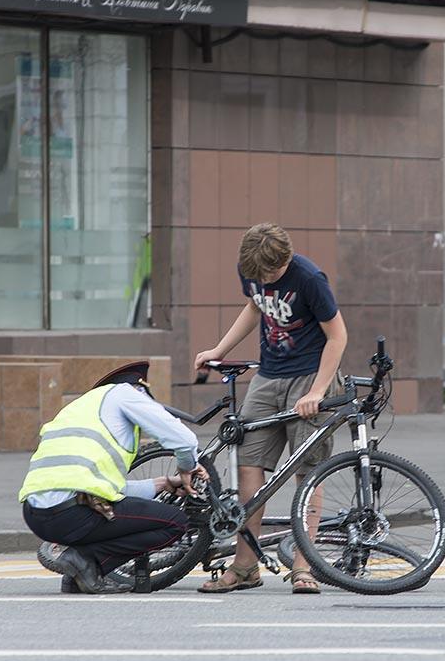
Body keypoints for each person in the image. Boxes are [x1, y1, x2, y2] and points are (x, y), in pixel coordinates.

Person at [193, 222, 348, 594]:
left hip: (309, 376)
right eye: (257, 275)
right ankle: (245, 566)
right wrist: (219, 350)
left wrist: (318, 390)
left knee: (307, 472)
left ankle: (303, 564)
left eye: (271, 274)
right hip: (269, 375)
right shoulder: (252, 268)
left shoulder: (309, 278)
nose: (264, 280)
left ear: (287, 259)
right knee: (249, 464)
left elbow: (337, 335)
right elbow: (254, 308)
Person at [19, 362, 209, 594]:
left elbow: (101, 488)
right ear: (140, 390)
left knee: (112, 515)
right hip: (72, 514)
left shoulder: (80, 409)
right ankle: (85, 559)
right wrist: (187, 468)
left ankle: (78, 575)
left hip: (37, 515)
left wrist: (162, 483)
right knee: (175, 523)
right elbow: (185, 441)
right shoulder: (126, 394)